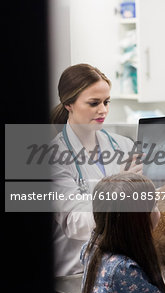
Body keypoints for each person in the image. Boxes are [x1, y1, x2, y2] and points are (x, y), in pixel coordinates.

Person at [50, 63, 143, 277]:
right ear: (68, 104)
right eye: (94, 103)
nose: (103, 110)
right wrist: (121, 185)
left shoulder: (123, 146)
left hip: (116, 269)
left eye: (106, 102)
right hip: (75, 274)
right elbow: (75, 222)